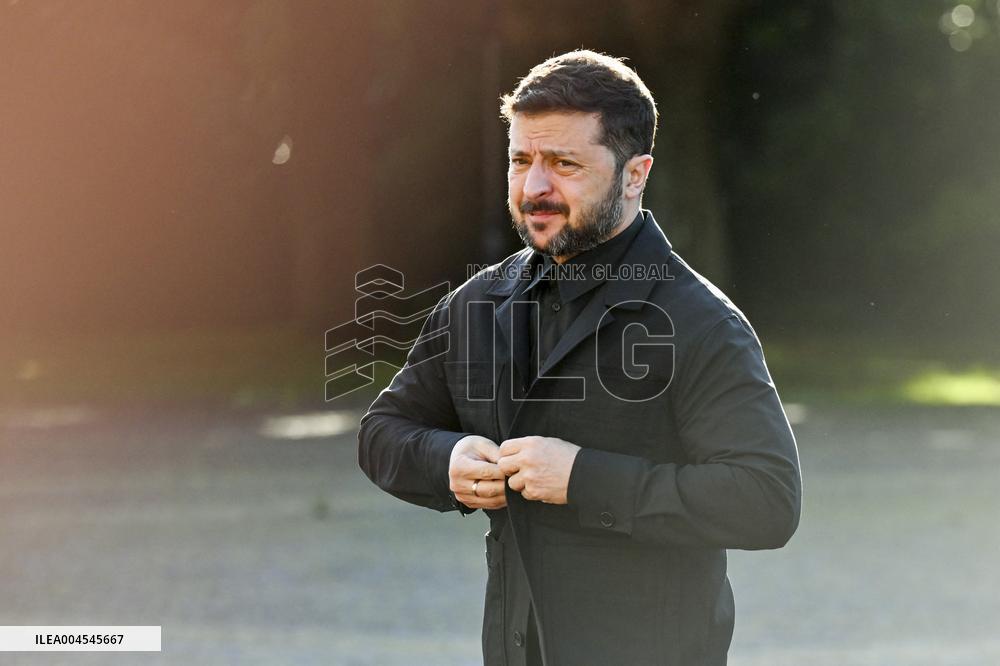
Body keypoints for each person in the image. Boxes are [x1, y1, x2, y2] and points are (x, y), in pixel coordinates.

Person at [358, 50, 802, 666]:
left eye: (564, 163)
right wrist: (446, 460)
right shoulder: (477, 304)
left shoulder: (702, 323)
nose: (534, 186)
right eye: (521, 161)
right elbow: (382, 433)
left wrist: (584, 479)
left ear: (635, 174)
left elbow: (767, 500)